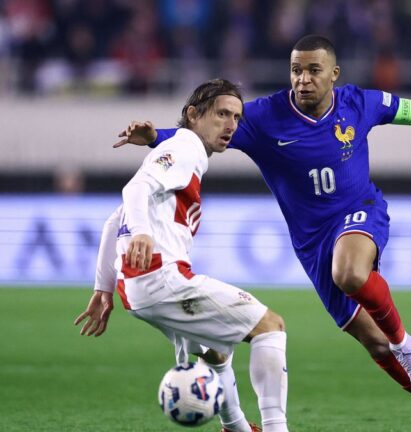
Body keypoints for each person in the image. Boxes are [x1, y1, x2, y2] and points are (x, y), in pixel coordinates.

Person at [117, 35, 411, 432]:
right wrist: (154, 138)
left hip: (360, 213)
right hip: (313, 246)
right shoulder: (262, 118)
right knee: (376, 345)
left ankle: (406, 343)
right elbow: (199, 135)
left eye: (313, 70)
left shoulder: (362, 104)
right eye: (296, 70)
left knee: (349, 274)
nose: (303, 79)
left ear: (334, 74)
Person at [75, 79, 288, 432]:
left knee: (214, 352)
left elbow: (114, 221)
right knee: (271, 326)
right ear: (193, 115)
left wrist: (103, 288)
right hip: (162, 278)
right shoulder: (185, 147)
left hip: (138, 289)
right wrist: (142, 232)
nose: (231, 125)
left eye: (236, 117)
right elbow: (135, 188)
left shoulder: (184, 152)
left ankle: (236, 427)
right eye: (222, 114)